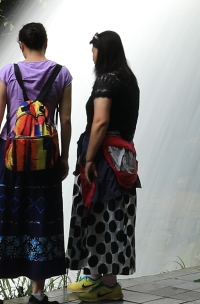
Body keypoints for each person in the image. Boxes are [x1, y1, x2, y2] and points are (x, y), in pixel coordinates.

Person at [0, 23, 72, 304]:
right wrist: (64, 157)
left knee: (0, 217)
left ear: (20, 45)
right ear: (46, 43)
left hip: (10, 154)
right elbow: (64, 120)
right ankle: (37, 294)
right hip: (45, 157)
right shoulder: (61, 74)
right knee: (40, 218)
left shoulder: (8, 72)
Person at [67, 31, 141, 301]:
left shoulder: (107, 80)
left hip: (105, 159)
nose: (92, 55)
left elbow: (100, 121)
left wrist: (88, 159)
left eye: (94, 50)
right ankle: (97, 279)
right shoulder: (129, 80)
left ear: (104, 52)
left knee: (99, 215)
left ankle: (106, 284)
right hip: (124, 157)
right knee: (114, 216)